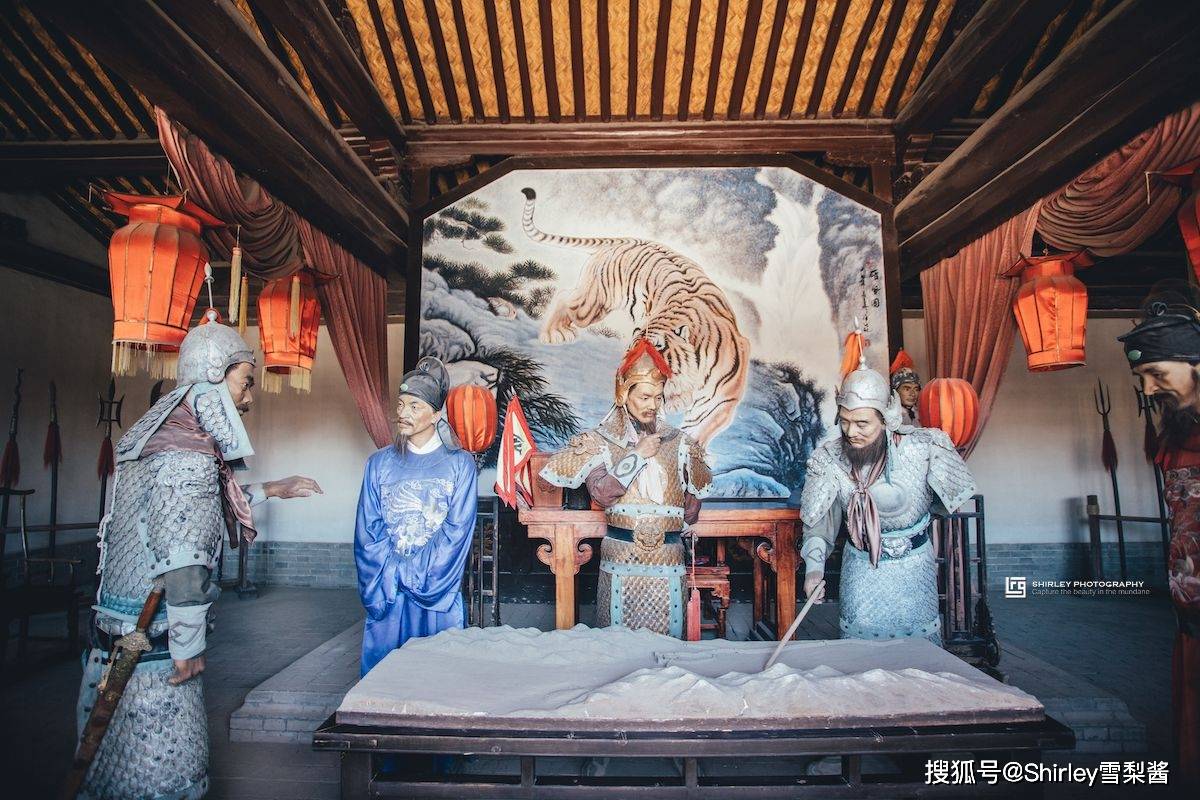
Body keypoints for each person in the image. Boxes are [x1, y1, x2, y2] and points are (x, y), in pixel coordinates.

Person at [76, 312, 322, 800]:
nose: (249, 399)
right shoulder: (186, 451)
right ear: (214, 376)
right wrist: (188, 646)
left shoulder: (164, 436)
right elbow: (183, 551)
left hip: (119, 632)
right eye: (246, 382)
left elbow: (200, 508)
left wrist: (273, 488)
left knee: (105, 772)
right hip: (149, 642)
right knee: (159, 776)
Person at [539, 338, 712, 638]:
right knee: (616, 646)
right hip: (622, 560)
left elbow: (692, 510)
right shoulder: (600, 440)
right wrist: (637, 457)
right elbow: (602, 493)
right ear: (623, 393)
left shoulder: (681, 443)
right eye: (644, 397)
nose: (653, 405)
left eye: (657, 397)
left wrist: (680, 500)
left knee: (669, 648)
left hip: (668, 561)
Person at [799, 363, 975, 644]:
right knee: (860, 653)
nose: (850, 431)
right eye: (844, 421)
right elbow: (819, 524)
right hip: (860, 570)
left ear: (886, 419)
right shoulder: (829, 458)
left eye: (862, 423)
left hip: (915, 570)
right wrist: (814, 570)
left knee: (921, 655)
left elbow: (944, 505)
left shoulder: (925, 448)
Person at [1119, 292, 1200, 787]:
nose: (1149, 389)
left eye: (1157, 374)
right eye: (1143, 378)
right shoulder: (1180, 432)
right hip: (1189, 607)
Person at [354, 357, 477, 676]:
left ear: (436, 414)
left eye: (414, 406)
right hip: (388, 587)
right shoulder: (378, 464)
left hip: (436, 588)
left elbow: (457, 531)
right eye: (400, 404)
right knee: (384, 678)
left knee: (436, 676)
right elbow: (368, 530)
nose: (403, 413)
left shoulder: (460, 464)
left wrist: (411, 571)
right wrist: (393, 570)